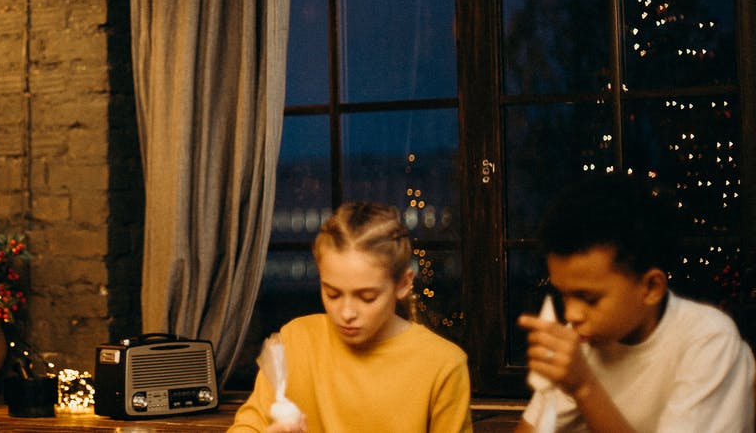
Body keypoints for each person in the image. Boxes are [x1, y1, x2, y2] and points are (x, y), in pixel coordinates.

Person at [516, 174, 756, 432]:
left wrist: (583, 387)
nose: (572, 314)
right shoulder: (585, 343)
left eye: (589, 299)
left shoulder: (708, 340)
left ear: (651, 287)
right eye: (564, 295)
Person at [230, 202, 473, 432]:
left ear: (403, 284)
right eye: (332, 294)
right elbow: (248, 425)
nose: (346, 313)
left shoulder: (443, 365)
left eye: (367, 297)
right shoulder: (295, 340)